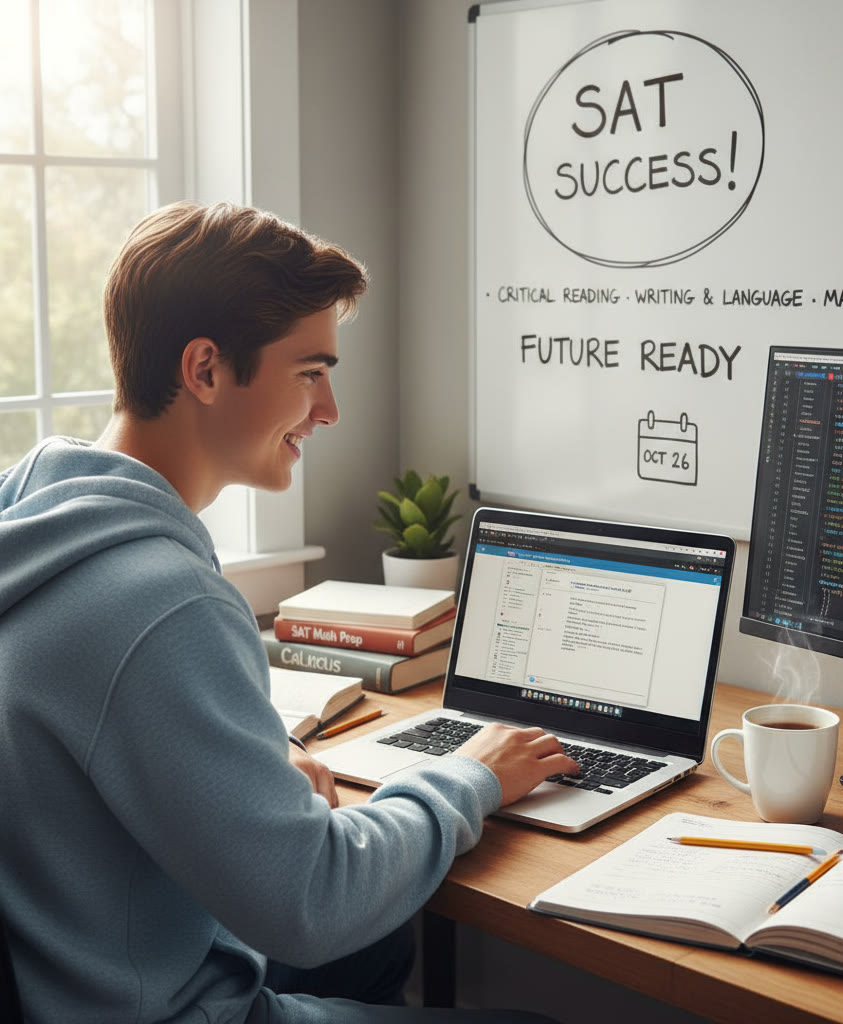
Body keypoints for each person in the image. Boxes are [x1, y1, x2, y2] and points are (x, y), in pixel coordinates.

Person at [0, 201, 576, 1023]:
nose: (330, 409)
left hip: (77, 967)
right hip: (162, 1008)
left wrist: (261, 768)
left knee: (381, 949)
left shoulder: (39, 515)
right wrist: (473, 775)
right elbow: (314, 902)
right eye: (310, 373)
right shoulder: (162, 601)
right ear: (204, 370)